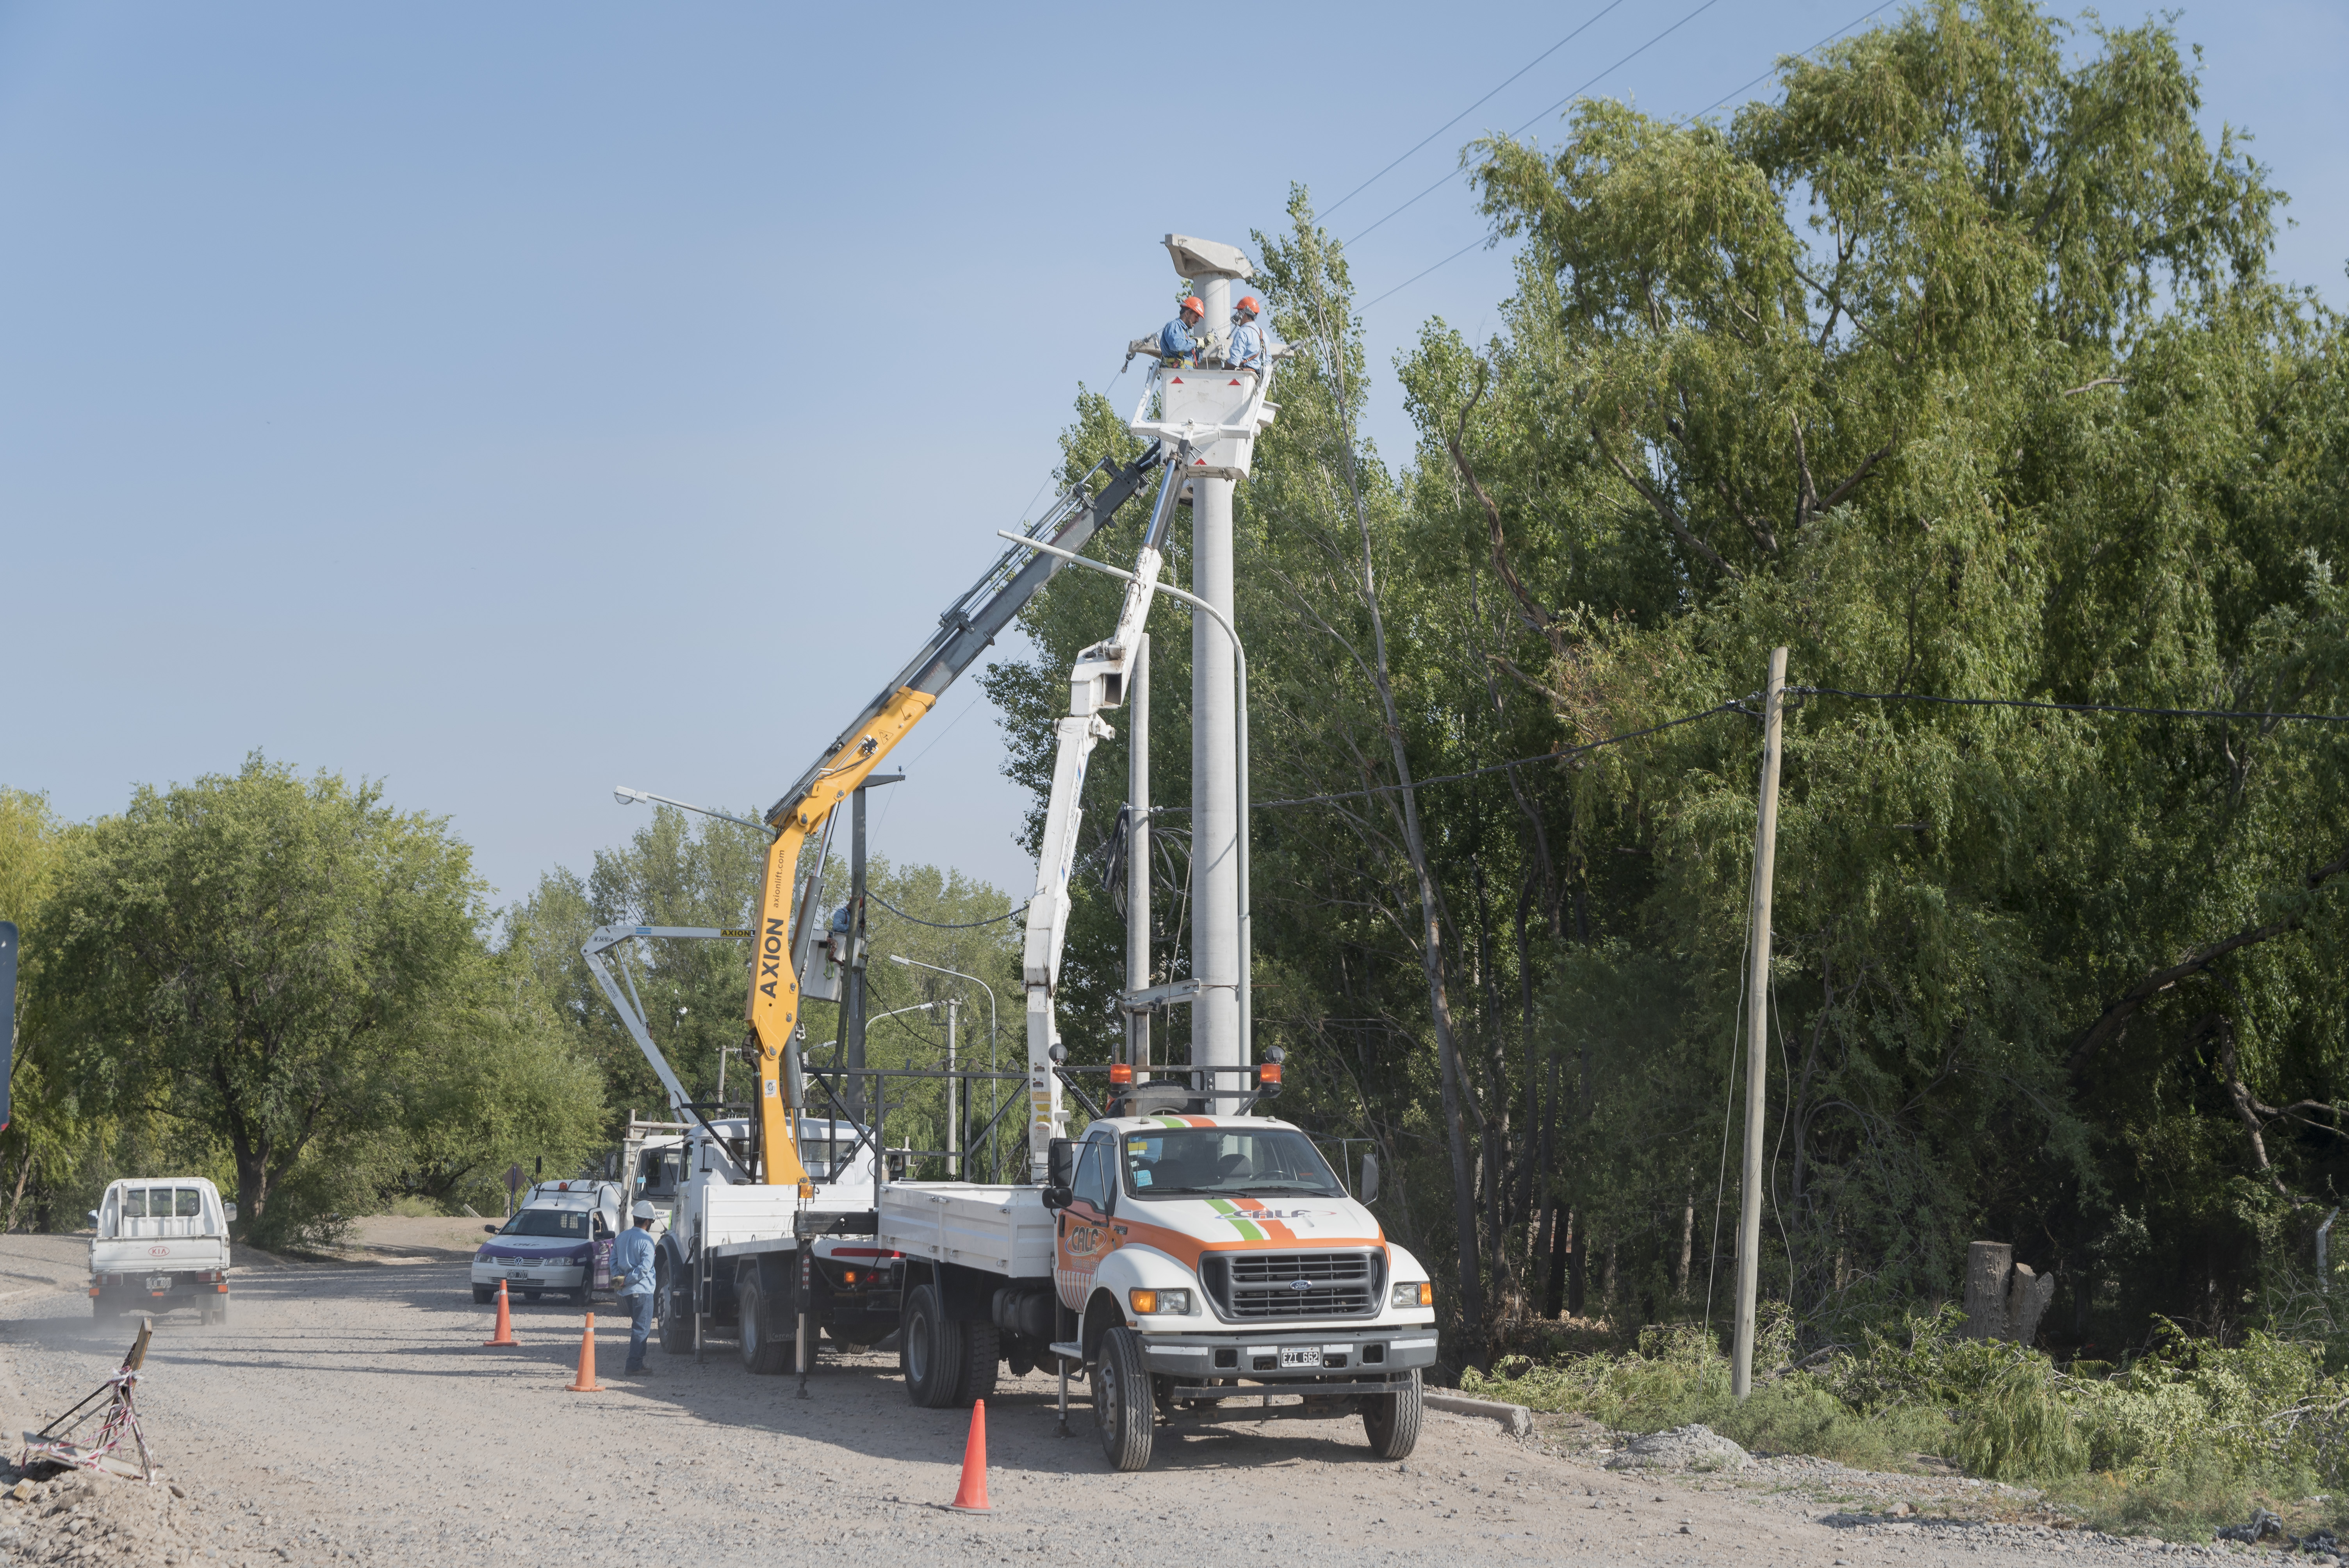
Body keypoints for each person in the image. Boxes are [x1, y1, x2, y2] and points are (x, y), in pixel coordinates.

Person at [614, 1200, 659, 1374]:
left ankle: (636, 1364)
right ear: (648, 1222)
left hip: (626, 1292)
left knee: (638, 1326)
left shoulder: (622, 1237)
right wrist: (629, 1280)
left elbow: (613, 1261)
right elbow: (644, 1269)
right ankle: (634, 1366)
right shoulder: (647, 1240)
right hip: (643, 1291)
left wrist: (620, 1280)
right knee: (641, 1329)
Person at [1155, 296, 1207, 365]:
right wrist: (1196, 342)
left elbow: (1193, 360)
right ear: (1187, 313)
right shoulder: (1174, 326)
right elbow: (1177, 346)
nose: (1198, 320)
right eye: (1196, 316)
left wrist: (1203, 347)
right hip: (1176, 374)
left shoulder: (1184, 332)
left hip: (1185, 374)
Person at [1228, 295, 1269, 376]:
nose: (1237, 315)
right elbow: (1268, 363)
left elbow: (1234, 362)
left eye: (1239, 312)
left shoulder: (1242, 332)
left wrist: (1221, 372)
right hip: (1258, 379)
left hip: (1244, 378)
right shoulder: (1264, 335)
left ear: (1245, 312)